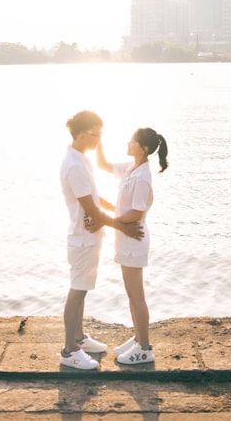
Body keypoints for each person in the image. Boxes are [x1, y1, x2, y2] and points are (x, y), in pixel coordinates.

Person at [59, 110, 143, 370]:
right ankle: (69, 350)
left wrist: (118, 211)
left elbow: (95, 199)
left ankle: (79, 338)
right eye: (97, 135)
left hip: (89, 235)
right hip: (81, 238)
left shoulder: (81, 158)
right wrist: (122, 227)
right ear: (83, 134)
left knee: (82, 289)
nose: (99, 141)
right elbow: (92, 210)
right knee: (78, 290)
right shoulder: (73, 164)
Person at [95, 126, 168, 365]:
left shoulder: (143, 177)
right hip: (125, 238)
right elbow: (103, 165)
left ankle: (145, 348)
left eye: (133, 141)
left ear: (143, 149)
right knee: (131, 295)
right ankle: (138, 337)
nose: (128, 143)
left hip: (134, 240)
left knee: (137, 297)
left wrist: (107, 220)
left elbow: (136, 213)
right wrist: (98, 141)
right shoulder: (130, 168)